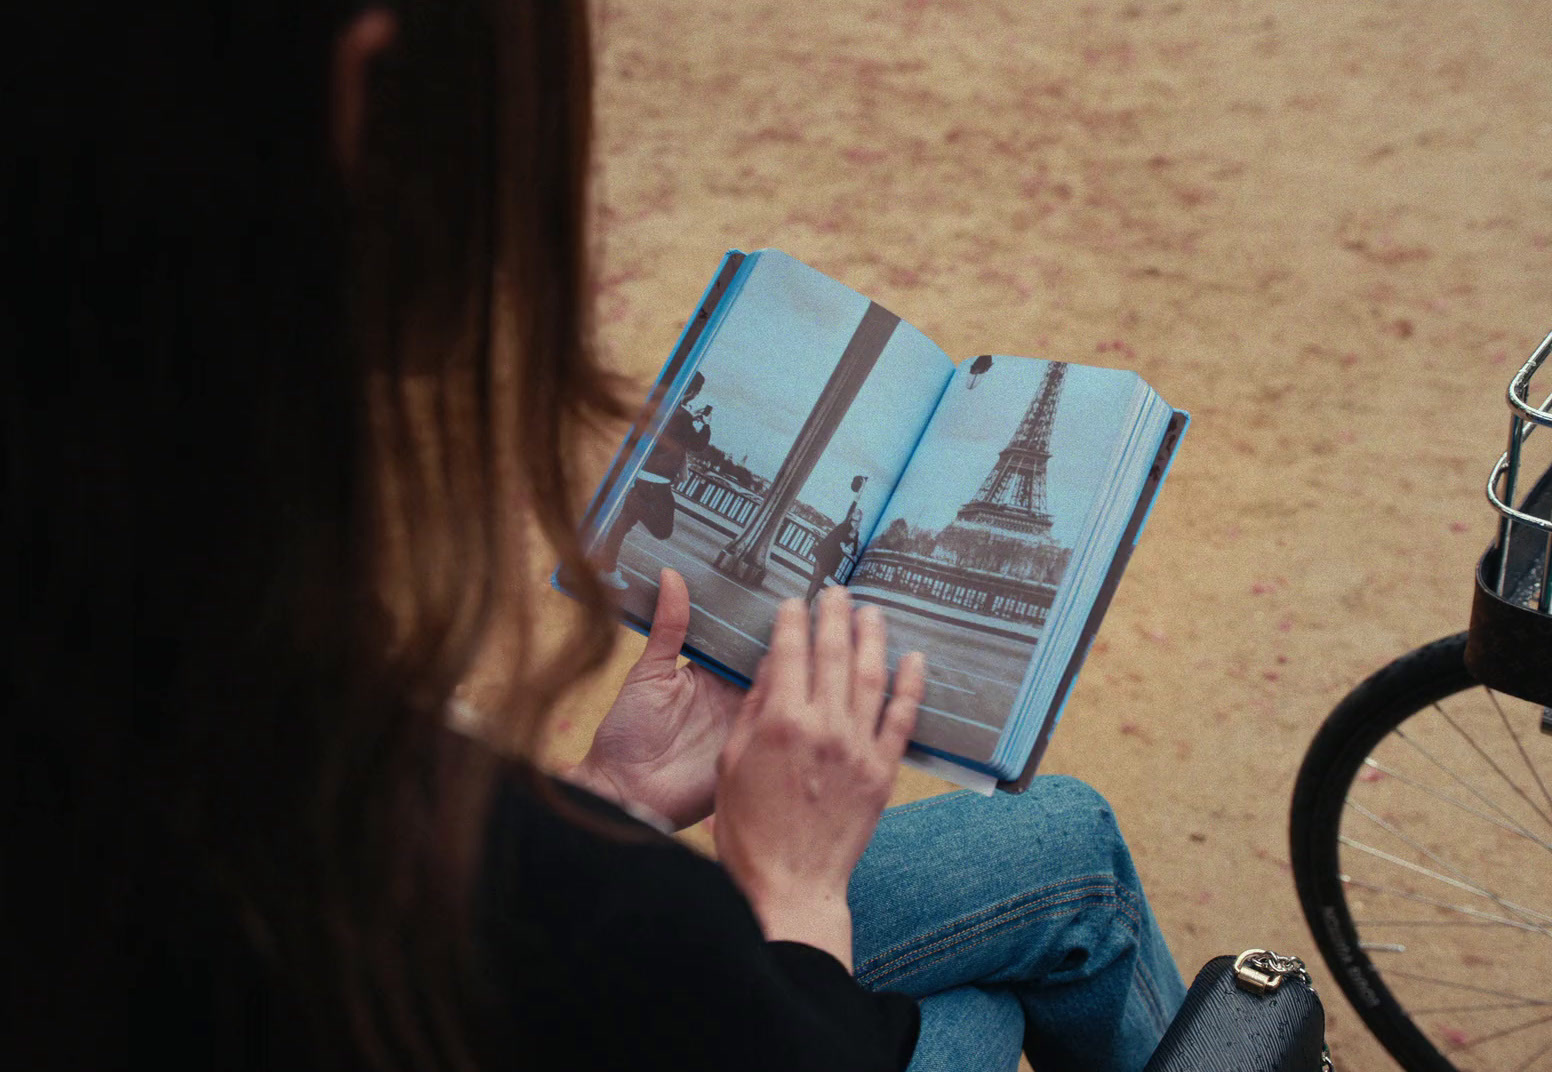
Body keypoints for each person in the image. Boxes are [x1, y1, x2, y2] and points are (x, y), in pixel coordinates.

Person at [7, 3, 1185, 1071]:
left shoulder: (158, 676)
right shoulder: (579, 918)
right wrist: (794, 899)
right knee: (988, 1003)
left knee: (1060, 844)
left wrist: (608, 793)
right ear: (354, 103)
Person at [594, 371, 713, 590]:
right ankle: (632, 502)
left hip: (644, 476)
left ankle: (606, 568)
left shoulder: (664, 409)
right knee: (663, 529)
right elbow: (698, 445)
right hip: (657, 481)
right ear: (692, 391)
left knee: (623, 524)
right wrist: (706, 424)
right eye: (696, 392)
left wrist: (689, 418)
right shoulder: (683, 416)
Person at [807, 502, 863, 603]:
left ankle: (808, 601)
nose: (855, 514)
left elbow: (854, 551)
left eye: (857, 513)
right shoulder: (844, 525)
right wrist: (843, 544)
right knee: (816, 578)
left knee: (818, 580)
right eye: (854, 512)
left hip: (833, 557)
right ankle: (807, 602)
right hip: (825, 552)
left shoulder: (855, 532)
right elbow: (835, 537)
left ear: (859, 518)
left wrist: (846, 547)